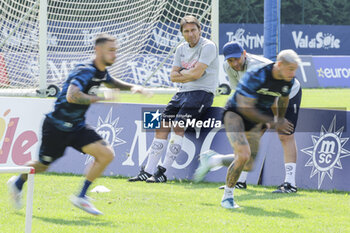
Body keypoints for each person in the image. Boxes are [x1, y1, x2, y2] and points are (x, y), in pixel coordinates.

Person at [7, 34, 151, 215]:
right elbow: (72, 95)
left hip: (76, 127)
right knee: (42, 166)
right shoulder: (85, 70)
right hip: (56, 126)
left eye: (116, 51)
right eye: (111, 50)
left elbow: (111, 81)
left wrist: (132, 87)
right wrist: (101, 98)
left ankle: (81, 196)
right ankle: (17, 183)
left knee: (106, 154)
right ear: (98, 50)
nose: (115, 55)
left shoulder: (101, 71)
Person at [194, 42, 302, 194]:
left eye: (237, 59)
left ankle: (290, 183)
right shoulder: (228, 67)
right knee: (251, 137)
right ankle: (237, 178)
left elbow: (278, 95)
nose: (235, 64)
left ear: (244, 54)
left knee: (285, 135)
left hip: (287, 93)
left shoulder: (257, 69)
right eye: (230, 60)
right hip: (259, 98)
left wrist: (279, 119)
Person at [128, 15, 219, 183]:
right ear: (182, 33)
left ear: (200, 30)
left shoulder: (208, 46)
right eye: (186, 31)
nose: (190, 34)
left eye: (193, 30)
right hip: (181, 93)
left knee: (177, 126)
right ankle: (147, 171)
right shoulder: (181, 48)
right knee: (161, 126)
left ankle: (162, 172)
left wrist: (183, 74)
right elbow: (172, 76)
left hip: (201, 93)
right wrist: (187, 75)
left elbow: (196, 73)